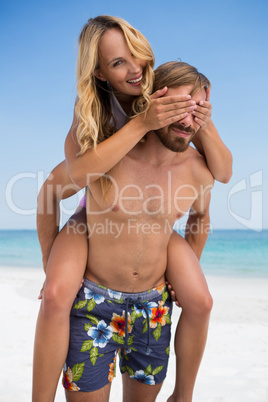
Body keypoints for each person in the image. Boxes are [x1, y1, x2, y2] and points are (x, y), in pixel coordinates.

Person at [32, 16, 232, 402]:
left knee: (201, 301)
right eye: (118, 62)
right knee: (57, 294)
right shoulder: (98, 117)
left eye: (136, 57)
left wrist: (203, 122)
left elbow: (215, 186)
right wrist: (48, 262)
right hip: (94, 212)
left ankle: (183, 396)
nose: (134, 70)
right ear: (101, 73)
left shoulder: (193, 163)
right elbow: (65, 179)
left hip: (150, 301)